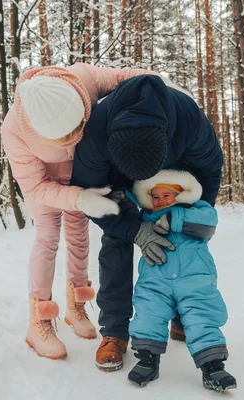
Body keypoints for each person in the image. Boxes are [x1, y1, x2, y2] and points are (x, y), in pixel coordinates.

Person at [2, 63, 155, 360]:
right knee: (48, 239)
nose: (72, 139)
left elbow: (126, 78)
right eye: (62, 137)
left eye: (77, 128)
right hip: (45, 184)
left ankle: (77, 305)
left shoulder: (83, 79)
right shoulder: (14, 130)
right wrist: (79, 198)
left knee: (79, 236)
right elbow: (35, 188)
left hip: (79, 175)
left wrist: (162, 86)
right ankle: (39, 320)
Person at [70, 74, 224, 371]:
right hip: (118, 185)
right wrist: (136, 228)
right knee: (116, 242)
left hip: (173, 179)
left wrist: (193, 219)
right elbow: (91, 195)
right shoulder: (96, 133)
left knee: (185, 242)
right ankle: (115, 331)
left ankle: (183, 316)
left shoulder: (188, 119)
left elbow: (210, 170)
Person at [123, 169, 236, 391]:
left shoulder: (197, 210)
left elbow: (209, 222)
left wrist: (175, 218)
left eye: (166, 195)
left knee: (201, 316)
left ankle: (213, 367)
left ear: (181, 194)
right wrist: (123, 197)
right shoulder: (146, 217)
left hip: (194, 279)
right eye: (155, 196)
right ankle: (147, 360)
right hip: (155, 279)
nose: (159, 200)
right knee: (148, 313)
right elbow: (127, 207)